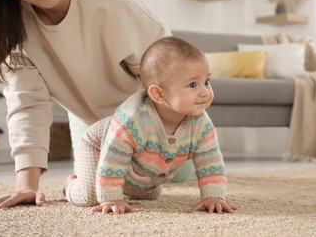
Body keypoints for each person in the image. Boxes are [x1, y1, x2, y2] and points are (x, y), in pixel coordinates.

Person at [0, 0, 194, 210]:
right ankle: (73, 183)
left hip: (156, 119)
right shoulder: (7, 27)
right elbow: (28, 105)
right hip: (90, 122)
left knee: (176, 177)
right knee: (95, 192)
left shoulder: (114, 0)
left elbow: (169, 76)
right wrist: (26, 185)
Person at [65, 36, 237, 214]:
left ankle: (123, 186)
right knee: (92, 197)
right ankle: (71, 184)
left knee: (148, 194)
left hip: (138, 165)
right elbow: (113, 159)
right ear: (159, 94)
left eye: (207, 82)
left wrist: (213, 196)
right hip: (99, 146)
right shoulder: (132, 120)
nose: (204, 92)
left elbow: (210, 159)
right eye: (193, 84)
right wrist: (111, 197)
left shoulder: (201, 123)